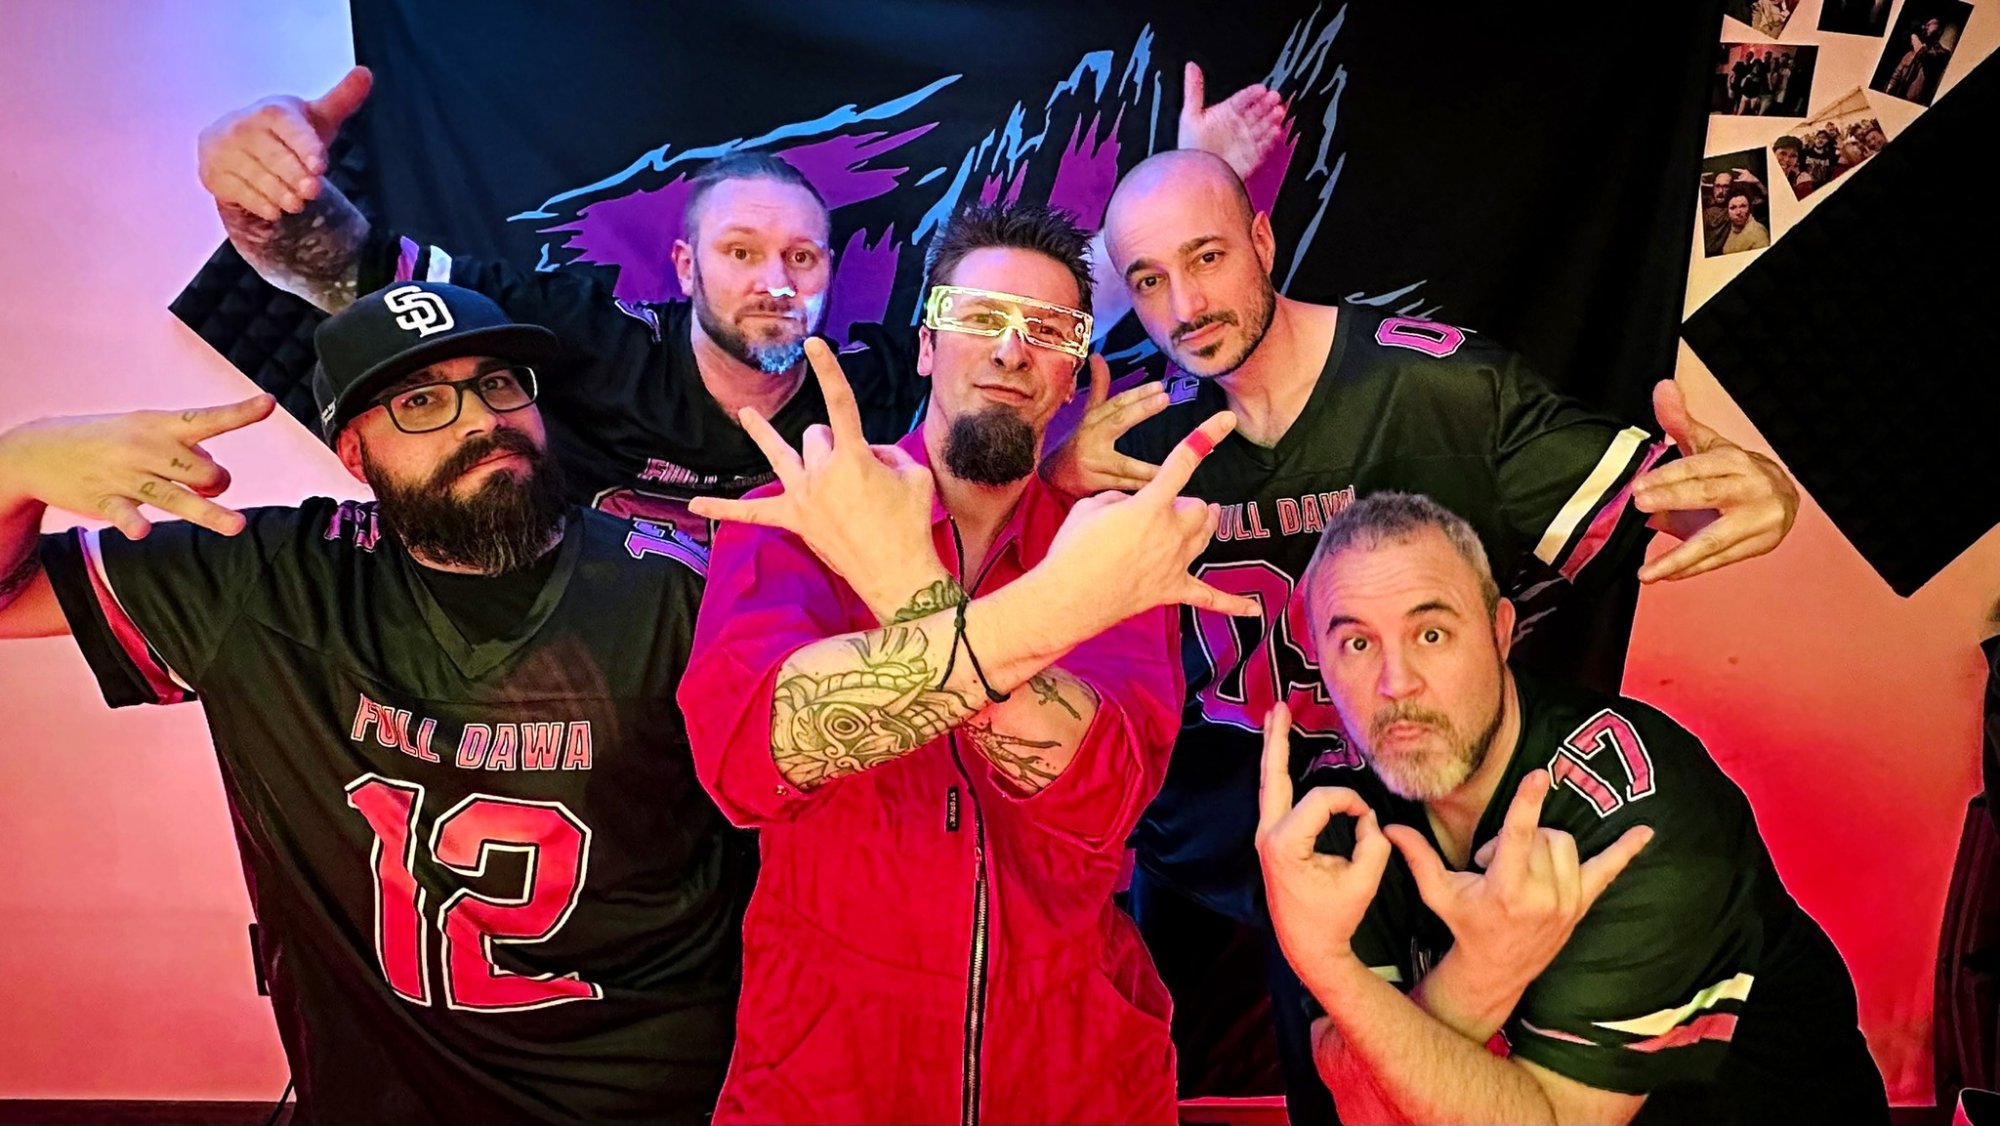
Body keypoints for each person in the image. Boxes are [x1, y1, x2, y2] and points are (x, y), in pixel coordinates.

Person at [1044, 149, 1801, 1104]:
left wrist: (1760, 495)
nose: (1186, 305)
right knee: (1285, 1089)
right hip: (1243, 837)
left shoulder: (1442, 388)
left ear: (1263, 241)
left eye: (1207, 257)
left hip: (1432, 826)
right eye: (1150, 279)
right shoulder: (1140, 439)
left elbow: (1674, 506)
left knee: (1445, 1086)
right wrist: (1056, 479)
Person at [0, 284, 750, 1125]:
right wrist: (17, 466)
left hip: (654, 1095)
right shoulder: (265, 580)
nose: (482, 420)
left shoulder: (680, 591)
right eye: (422, 401)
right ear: (354, 454)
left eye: (499, 382)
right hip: (382, 1095)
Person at [676, 201, 1257, 1124]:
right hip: (826, 1075)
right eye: (980, 317)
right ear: (926, 346)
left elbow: (1101, 796)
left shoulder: (1114, 544)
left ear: (1072, 375)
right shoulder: (799, 516)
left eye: (1049, 331)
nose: (1011, 350)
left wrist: (900, 584)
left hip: (1077, 1079)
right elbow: (754, 759)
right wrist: (1047, 607)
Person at [194, 65, 1285, 543]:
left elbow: (1027, 315)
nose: (774, 280)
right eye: (741, 252)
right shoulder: (583, 336)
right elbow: (353, 274)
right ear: (683, 266)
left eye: (801, 256)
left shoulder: (864, 386)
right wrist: (268, 193)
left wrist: (1195, 174)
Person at [1257, 490, 1888, 1125]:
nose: (1397, 683)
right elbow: (1363, 1108)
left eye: (1432, 633)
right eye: (1357, 644)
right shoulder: (1330, 820)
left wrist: (1350, 970)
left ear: (1500, 631)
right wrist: (1463, 971)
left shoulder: (1643, 815)